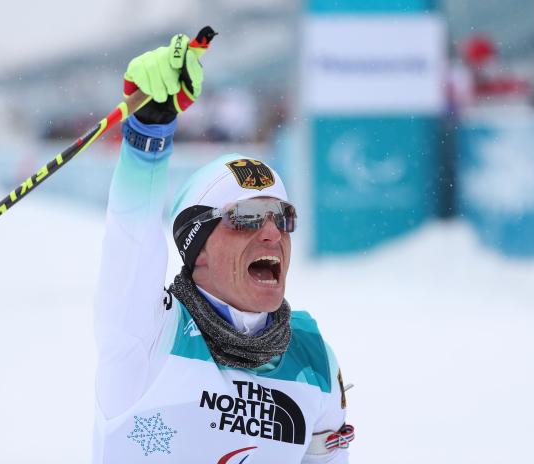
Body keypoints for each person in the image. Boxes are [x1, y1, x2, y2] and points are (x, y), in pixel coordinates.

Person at [92, 29, 354, 463]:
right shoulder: (147, 332)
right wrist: (147, 138)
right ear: (199, 247)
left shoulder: (313, 357)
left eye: (282, 217)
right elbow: (130, 239)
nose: (271, 233)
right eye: (247, 218)